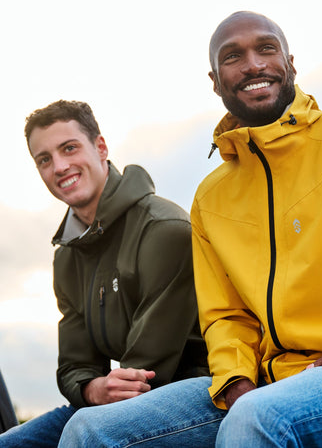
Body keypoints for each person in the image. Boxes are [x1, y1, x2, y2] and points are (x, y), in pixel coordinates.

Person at [57, 11, 322, 447]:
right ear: (215, 81)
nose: (252, 64)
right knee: (91, 430)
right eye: (233, 56)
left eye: (265, 48)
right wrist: (233, 378)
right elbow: (224, 314)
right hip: (264, 384)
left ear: (290, 62)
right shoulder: (211, 197)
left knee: (255, 419)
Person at [0, 100, 208, 447]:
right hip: (110, 400)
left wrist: (101, 391)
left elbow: (145, 374)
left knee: (89, 433)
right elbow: (73, 365)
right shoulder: (66, 258)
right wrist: (91, 388)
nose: (60, 166)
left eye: (69, 148)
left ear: (100, 147)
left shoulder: (164, 229)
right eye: (45, 159)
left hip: (197, 391)